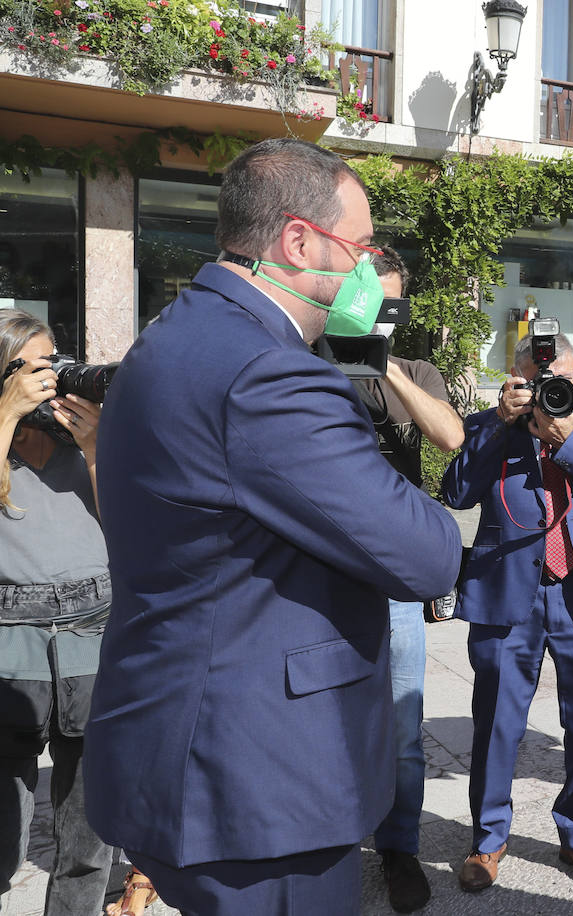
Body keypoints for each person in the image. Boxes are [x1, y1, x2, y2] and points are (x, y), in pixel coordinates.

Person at [83, 138, 464, 914]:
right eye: (357, 248)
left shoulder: (173, 336)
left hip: (185, 748)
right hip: (257, 784)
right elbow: (427, 555)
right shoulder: (270, 371)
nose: (366, 272)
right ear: (298, 240)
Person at [441, 331, 573, 893]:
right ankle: (487, 840)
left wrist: (569, 440)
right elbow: (455, 493)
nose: (548, 390)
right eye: (535, 379)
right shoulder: (490, 425)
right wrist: (497, 425)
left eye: (560, 380)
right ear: (515, 376)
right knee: (497, 721)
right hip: (507, 592)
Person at [353, 246, 465, 914]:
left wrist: (384, 363)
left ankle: (399, 847)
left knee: (400, 725)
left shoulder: (416, 368)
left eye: (389, 305)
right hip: (324, 575)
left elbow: (450, 436)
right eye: (367, 303)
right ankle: (333, 844)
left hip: (394, 578)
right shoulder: (309, 363)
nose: (378, 315)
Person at [0, 310, 114, 915]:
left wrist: (96, 446)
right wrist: (7, 413)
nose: (54, 379)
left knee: (88, 836)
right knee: (4, 834)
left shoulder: (83, 437)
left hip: (93, 634)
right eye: (37, 368)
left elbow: (129, 527)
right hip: (9, 643)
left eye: (56, 364)